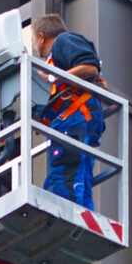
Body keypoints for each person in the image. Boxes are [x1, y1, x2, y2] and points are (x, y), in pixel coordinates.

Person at [30, 13, 105, 207]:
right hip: (74, 118)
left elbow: (90, 68)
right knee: (78, 178)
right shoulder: (54, 62)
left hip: (76, 116)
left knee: (65, 175)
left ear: (41, 36)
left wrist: (54, 76)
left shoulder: (63, 41)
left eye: (33, 40)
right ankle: (83, 222)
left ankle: (69, 218)